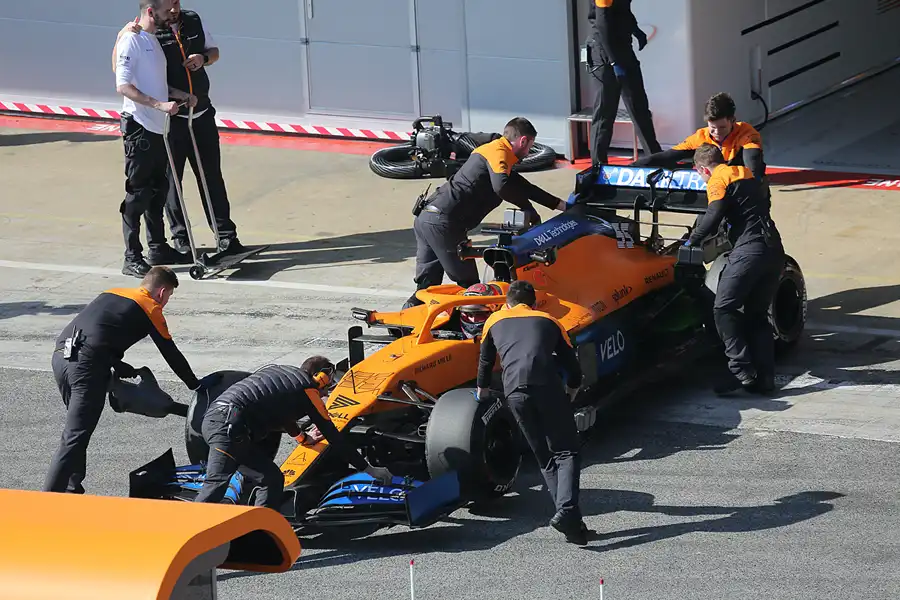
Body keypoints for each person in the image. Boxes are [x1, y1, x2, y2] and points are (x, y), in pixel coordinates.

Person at [44, 266, 216, 494]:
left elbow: (97, 331)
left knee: (77, 432)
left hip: (62, 357)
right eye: (169, 297)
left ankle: (72, 488)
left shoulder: (112, 292)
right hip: (87, 367)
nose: (165, 303)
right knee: (74, 436)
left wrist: (115, 362)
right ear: (162, 292)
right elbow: (170, 353)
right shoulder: (150, 307)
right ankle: (48, 498)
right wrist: (196, 385)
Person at [114, 0, 244, 259]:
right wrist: (121, 35)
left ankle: (226, 236)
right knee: (172, 182)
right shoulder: (145, 32)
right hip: (171, 119)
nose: (174, 10)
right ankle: (181, 239)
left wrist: (203, 58)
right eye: (169, 5)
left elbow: (214, 51)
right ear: (155, 9)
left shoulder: (193, 20)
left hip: (201, 112)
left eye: (177, 3)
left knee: (211, 176)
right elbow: (120, 71)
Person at [405, 117, 567, 309]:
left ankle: (406, 323)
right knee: (473, 288)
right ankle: (480, 333)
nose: (528, 152)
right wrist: (527, 208)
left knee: (426, 286)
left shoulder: (492, 152)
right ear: (523, 141)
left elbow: (525, 187)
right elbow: (502, 187)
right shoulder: (500, 152)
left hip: (427, 217)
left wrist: (563, 205)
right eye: (529, 145)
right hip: (443, 223)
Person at [193, 356, 394, 509]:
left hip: (217, 419)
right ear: (321, 377)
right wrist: (369, 469)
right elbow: (334, 436)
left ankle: (258, 535)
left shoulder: (283, 376)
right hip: (228, 429)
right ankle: (182, 535)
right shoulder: (307, 390)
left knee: (270, 478)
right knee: (216, 483)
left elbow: (281, 414)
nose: (327, 391)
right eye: (329, 383)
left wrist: (302, 437)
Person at [476, 280, 588, 545]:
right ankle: (568, 511)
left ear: (507, 303)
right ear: (534, 302)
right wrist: (571, 391)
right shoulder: (549, 320)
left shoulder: (493, 320)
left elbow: (485, 360)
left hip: (514, 391)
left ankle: (573, 526)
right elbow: (572, 367)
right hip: (546, 387)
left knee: (545, 457)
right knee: (567, 451)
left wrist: (481, 388)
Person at [685, 144, 785, 395]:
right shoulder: (743, 172)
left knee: (723, 307)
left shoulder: (717, 179)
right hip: (774, 249)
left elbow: (713, 214)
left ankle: (740, 370)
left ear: (701, 169)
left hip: (750, 250)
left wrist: (691, 241)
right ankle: (765, 379)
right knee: (757, 315)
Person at [114, 0, 198, 277]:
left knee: (158, 191)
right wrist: (158, 105)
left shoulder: (153, 41)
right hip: (140, 128)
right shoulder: (131, 40)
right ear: (151, 11)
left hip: (158, 128)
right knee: (137, 194)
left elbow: (156, 85)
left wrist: (178, 94)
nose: (173, 14)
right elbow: (123, 85)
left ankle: (158, 247)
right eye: (167, 10)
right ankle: (132, 256)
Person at [586, 0, 662, 165]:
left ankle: (656, 158)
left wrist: (636, 30)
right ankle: (598, 167)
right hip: (604, 52)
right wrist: (614, 61)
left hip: (623, 48)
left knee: (639, 106)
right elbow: (602, 23)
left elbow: (623, 11)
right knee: (605, 112)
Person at [633, 92, 767, 180]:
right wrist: (631, 167)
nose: (717, 133)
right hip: (715, 192)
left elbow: (753, 165)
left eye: (722, 127)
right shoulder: (701, 136)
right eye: (713, 127)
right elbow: (667, 156)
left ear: (732, 120)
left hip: (743, 189)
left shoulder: (747, 133)